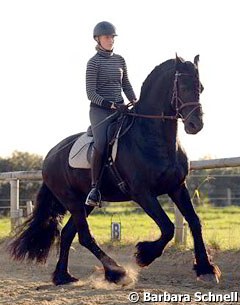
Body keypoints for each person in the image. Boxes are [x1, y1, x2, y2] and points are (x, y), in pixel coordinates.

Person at [85, 21, 137, 207]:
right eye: (107, 37)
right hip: (100, 111)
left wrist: (136, 101)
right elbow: (91, 93)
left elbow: (126, 85)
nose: (110, 40)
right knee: (101, 143)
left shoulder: (120, 59)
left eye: (112, 37)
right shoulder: (93, 63)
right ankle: (94, 188)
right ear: (98, 39)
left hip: (121, 108)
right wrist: (113, 105)